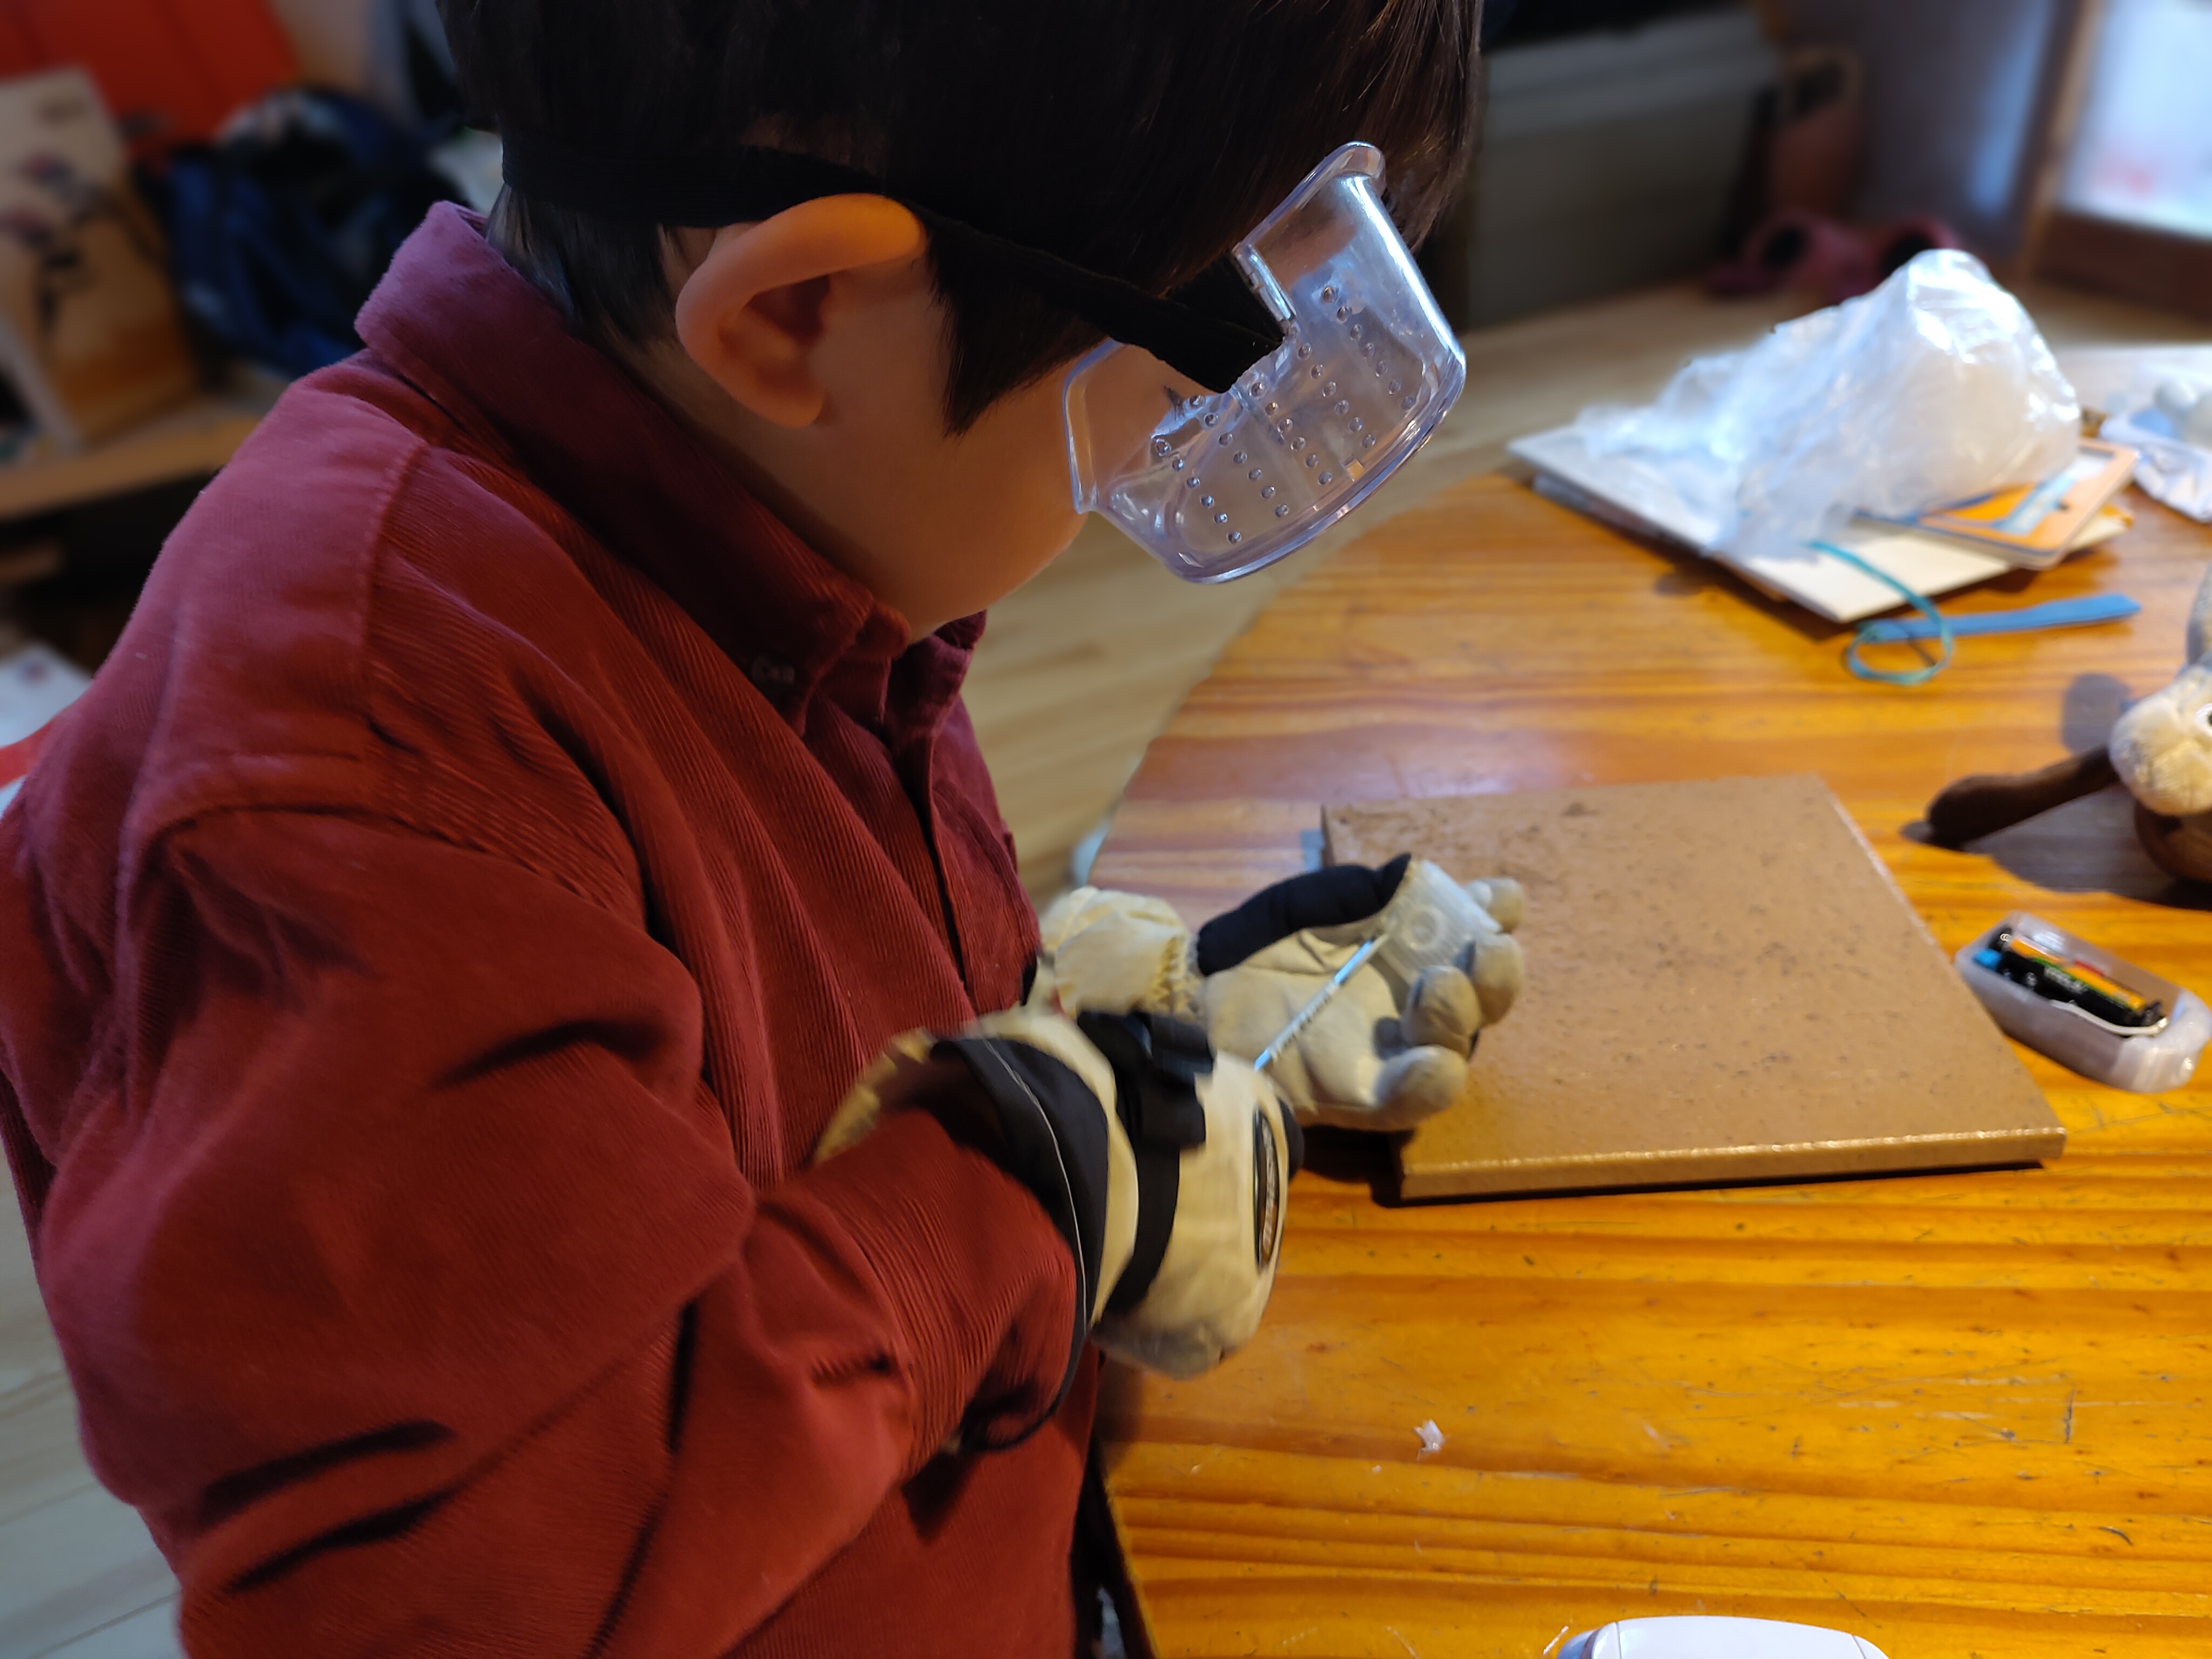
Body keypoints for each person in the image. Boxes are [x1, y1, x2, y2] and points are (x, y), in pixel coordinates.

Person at [0, 3, 1482, 1653]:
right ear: (797, 310)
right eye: (1178, 377)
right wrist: (1022, 1188)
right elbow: (464, 1590)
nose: (1163, 447)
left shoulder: (767, 511)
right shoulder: (370, 773)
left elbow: (769, 1073)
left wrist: (1119, 1025)